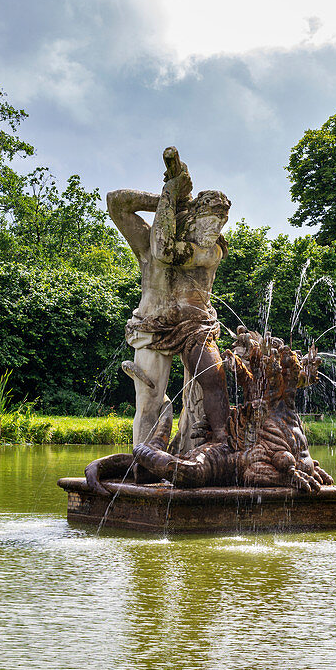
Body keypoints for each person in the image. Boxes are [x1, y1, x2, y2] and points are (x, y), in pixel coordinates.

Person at [106, 147, 231, 453]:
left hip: (196, 326)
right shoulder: (150, 247)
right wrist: (169, 196)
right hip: (152, 325)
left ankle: (197, 464)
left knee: (200, 405)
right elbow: (115, 201)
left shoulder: (209, 251)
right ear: (190, 218)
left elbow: (166, 250)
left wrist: (174, 193)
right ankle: (144, 465)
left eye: (220, 224)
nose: (214, 231)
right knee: (148, 404)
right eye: (209, 222)